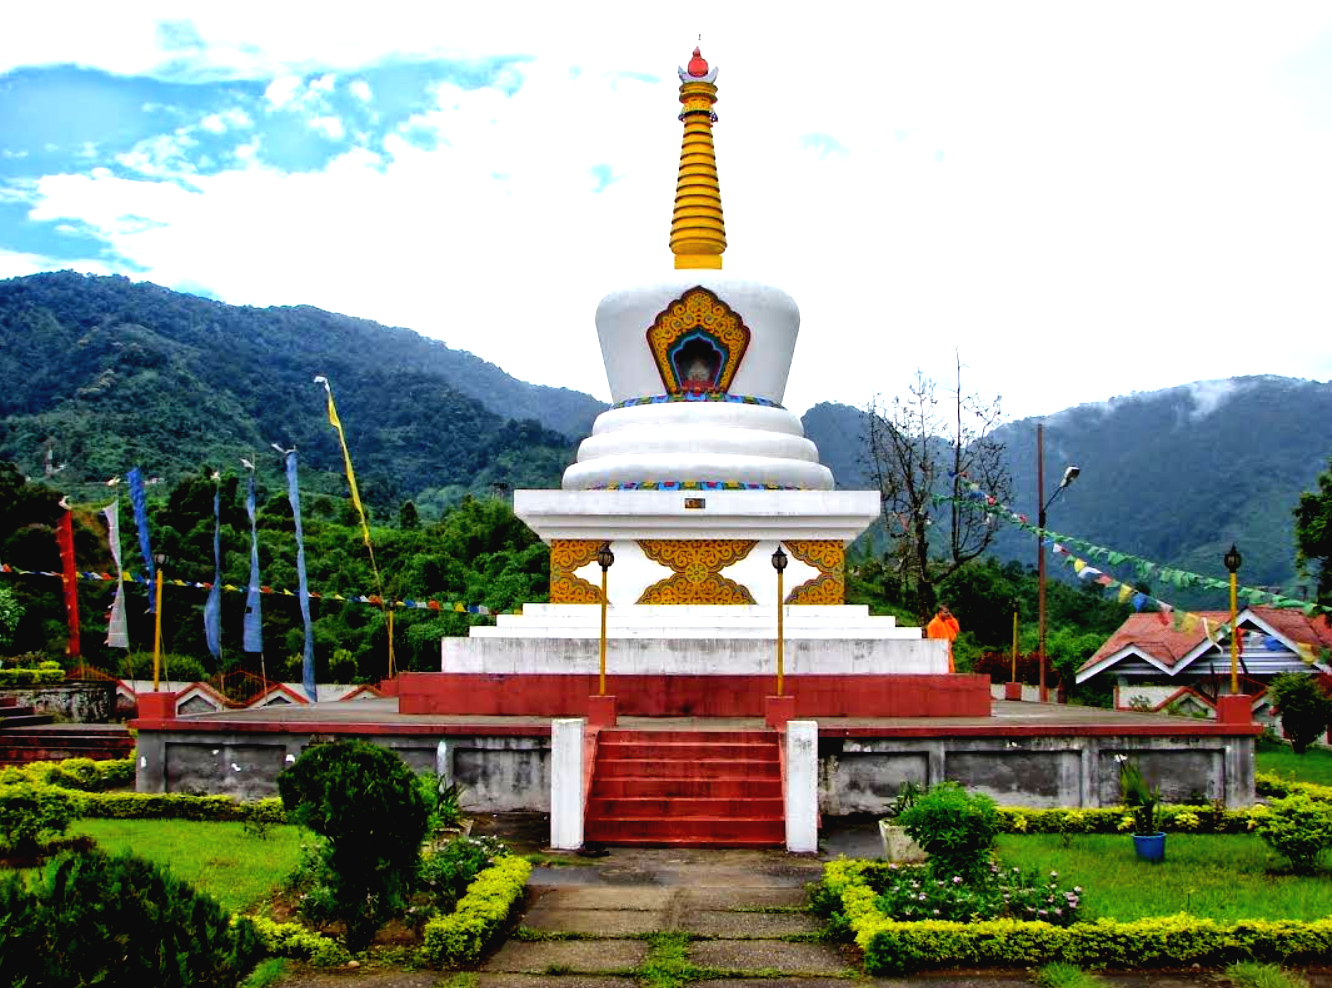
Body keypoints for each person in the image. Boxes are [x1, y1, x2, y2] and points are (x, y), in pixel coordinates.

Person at [925, 605, 961, 673]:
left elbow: (956, 629)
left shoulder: (946, 622)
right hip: (939, 653)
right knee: (942, 672)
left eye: (948, 612)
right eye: (945, 612)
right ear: (939, 612)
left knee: (951, 670)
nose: (947, 614)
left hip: (947, 650)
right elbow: (931, 640)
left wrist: (951, 618)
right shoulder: (933, 624)